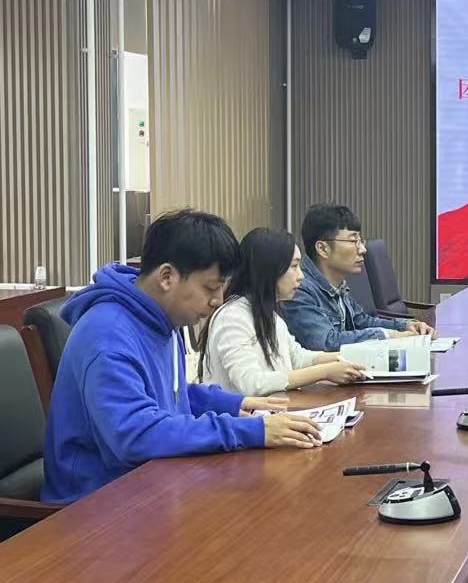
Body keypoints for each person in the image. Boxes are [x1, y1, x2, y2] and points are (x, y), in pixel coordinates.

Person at [42, 210, 323, 504]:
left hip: (150, 480)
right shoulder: (107, 336)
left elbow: (168, 392)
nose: (217, 301)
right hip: (96, 503)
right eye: (210, 288)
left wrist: (232, 403)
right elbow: (135, 435)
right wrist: (250, 430)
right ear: (167, 276)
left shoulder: (161, 317)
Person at [199, 228, 367, 396]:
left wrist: (351, 357)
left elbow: (297, 357)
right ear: (269, 269)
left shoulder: (270, 315)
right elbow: (252, 383)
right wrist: (325, 372)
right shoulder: (232, 317)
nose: (301, 276)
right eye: (294, 266)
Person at [281, 203, 433, 351]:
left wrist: (404, 326)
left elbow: (361, 321)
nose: (363, 249)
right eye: (353, 241)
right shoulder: (299, 289)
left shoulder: (337, 285)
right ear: (323, 248)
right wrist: (387, 335)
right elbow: (326, 342)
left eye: (360, 241)